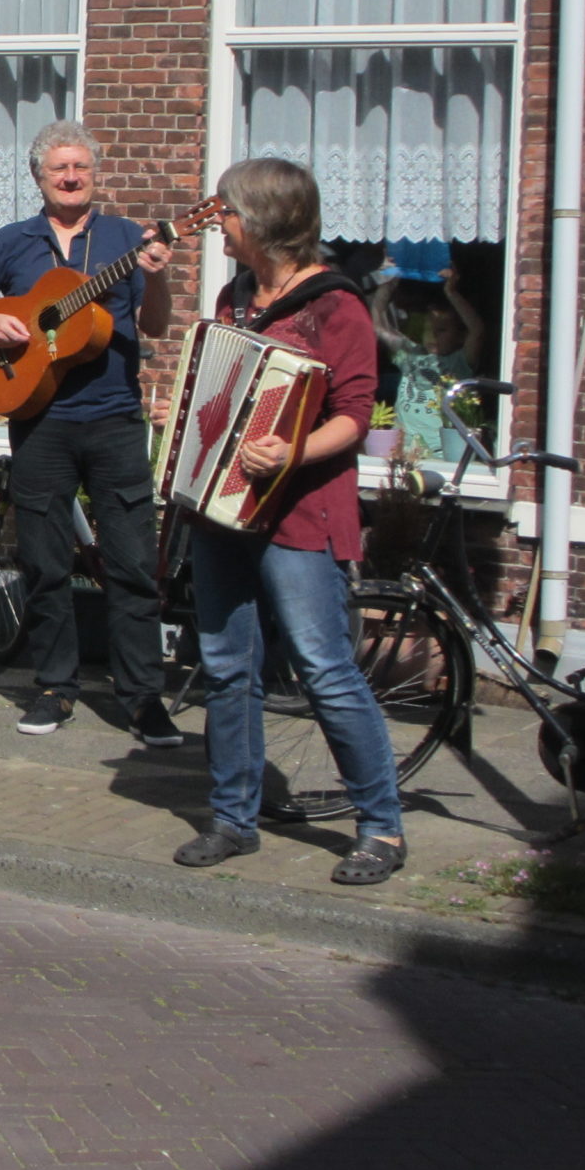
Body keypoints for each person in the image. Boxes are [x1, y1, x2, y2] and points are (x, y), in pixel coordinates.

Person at [172, 157, 404, 887]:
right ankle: (234, 820)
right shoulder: (235, 295)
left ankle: (382, 828)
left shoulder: (338, 306)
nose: (221, 225)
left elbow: (357, 417)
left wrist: (293, 452)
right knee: (224, 665)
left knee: (324, 668)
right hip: (223, 509)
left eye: (228, 212)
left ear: (265, 221)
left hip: (302, 510)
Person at [0, 121, 178, 745]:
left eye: (81, 169)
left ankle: (144, 697)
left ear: (95, 175)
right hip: (40, 421)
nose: (70, 178)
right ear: (39, 178)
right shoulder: (14, 242)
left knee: (133, 563)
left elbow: (159, 326)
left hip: (115, 418)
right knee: (42, 562)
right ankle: (55, 687)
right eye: (59, 169)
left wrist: (161, 274)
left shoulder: (126, 239)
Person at [370, 267, 484, 459]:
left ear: (460, 336)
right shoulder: (411, 354)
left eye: (441, 330)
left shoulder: (459, 362)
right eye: (428, 328)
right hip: (403, 449)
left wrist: (452, 293)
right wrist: (386, 288)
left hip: (442, 452)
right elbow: (378, 326)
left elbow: (477, 330)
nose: (432, 335)